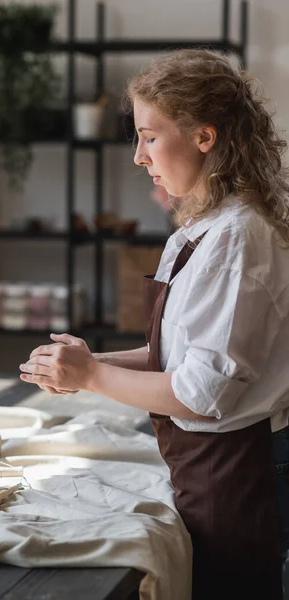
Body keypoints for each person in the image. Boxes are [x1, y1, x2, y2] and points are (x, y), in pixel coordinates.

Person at [19, 49, 289, 599]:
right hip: (208, 469)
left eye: (149, 136)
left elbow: (199, 393)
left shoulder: (238, 237)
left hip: (236, 476)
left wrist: (92, 378)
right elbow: (179, 356)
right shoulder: (200, 230)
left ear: (204, 137)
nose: (139, 156)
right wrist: (87, 364)